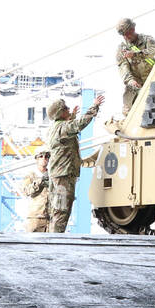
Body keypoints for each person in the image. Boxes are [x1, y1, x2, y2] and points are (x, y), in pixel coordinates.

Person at [45, 93, 104, 233]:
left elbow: (68, 127)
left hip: (59, 174)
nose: (68, 109)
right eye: (65, 108)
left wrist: (71, 116)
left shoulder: (56, 127)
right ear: (60, 113)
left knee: (57, 209)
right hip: (63, 175)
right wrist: (94, 106)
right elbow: (79, 124)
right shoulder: (63, 128)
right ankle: (56, 242)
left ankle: (53, 238)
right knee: (62, 210)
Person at [115, 18, 155, 115]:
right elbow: (123, 67)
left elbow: (152, 51)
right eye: (123, 35)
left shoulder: (147, 39)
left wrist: (135, 54)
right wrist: (130, 80)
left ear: (133, 29)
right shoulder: (122, 49)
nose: (126, 37)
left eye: (127, 33)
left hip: (153, 77)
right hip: (136, 82)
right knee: (128, 110)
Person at [21, 148, 52, 233]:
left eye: (46, 157)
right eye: (41, 156)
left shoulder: (53, 176)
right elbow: (25, 191)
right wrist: (40, 182)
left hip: (50, 218)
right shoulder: (30, 176)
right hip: (35, 218)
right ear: (36, 159)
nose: (44, 159)